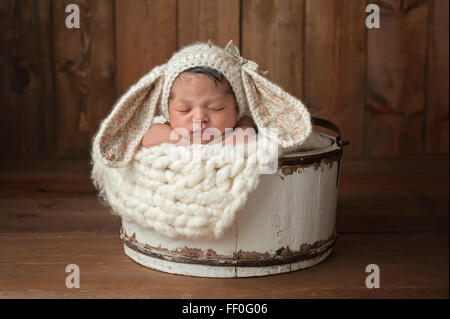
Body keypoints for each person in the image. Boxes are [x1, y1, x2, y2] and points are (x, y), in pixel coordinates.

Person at [141, 66, 256, 147]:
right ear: (168, 112)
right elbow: (148, 138)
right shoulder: (170, 128)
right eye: (184, 109)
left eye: (215, 108)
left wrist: (214, 148)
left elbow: (247, 134)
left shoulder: (240, 125)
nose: (199, 118)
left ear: (236, 109)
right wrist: (191, 145)